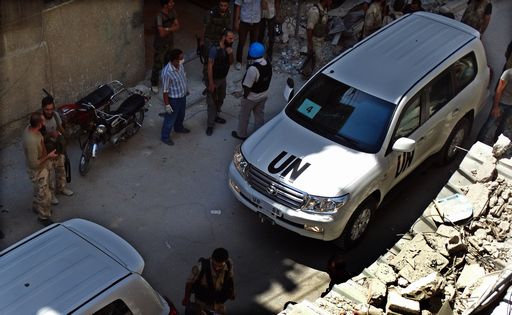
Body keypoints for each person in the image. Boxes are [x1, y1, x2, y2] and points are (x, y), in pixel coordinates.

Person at [22, 112, 59, 226]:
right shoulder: (31, 142)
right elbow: (34, 164)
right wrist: (49, 156)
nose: (44, 122)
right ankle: (43, 217)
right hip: (37, 171)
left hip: (41, 165)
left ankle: (37, 207)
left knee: (39, 191)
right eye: (42, 121)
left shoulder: (30, 128)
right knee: (45, 194)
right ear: (39, 124)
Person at [232, 42, 272, 140]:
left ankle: (241, 134)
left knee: (244, 116)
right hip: (263, 95)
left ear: (251, 53)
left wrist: (245, 97)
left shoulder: (253, 69)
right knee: (259, 116)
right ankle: (258, 136)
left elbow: (247, 86)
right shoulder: (267, 64)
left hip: (252, 97)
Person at [182, 248, 235, 315]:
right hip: (203, 302)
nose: (217, 268)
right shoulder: (200, 267)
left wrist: (232, 290)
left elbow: (230, 277)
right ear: (212, 258)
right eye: (215, 264)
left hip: (218, 302)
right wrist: (186, 298)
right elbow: (189, 282)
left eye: (220, 266)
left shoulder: (229, 263)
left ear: (225, 261)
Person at [41, 96, 74, 202]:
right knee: (49, 175)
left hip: (58, 147)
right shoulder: (40, 120)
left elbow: (60, 127)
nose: (49, 112)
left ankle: (62, 188)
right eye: (47, 109)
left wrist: (65, 138)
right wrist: (50, 133)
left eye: (51, 109)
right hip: (47, 150)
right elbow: (38, 139)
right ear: (42, 108)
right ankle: (51, 195)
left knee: (61, 169)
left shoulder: (55, 115)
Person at [205, 29, 235, 136]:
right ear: (223, 37)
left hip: (223, 78)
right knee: (211, 102)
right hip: (214, 79)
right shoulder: (214, 49)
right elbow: (209, 67)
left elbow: (231, 62)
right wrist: (211, 83)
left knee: (221, 98)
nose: (232, 40)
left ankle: (216, 115)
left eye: (233, 38)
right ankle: (210, 125)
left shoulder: (228, 48)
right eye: (230, 38)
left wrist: (230, 54)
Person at [161, 48, 190, 146]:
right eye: (181, 58)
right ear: (174, 60)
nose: (183, 60)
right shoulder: (167, 73)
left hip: (182, 96)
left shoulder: (180, 66)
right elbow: (165, 91)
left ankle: (179, 128)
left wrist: (186, 90)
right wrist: (167, 105)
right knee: (170, 119)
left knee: (181, 114)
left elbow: (183, 78)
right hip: (174, 99)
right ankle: (165, 137)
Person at [151, 0, 180, 94]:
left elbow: (178, 26)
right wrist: (171, 29)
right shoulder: (159, 16)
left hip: (170, 43)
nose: (173, 4)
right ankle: (154, 83)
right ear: (165, 5)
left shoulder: (173, 12)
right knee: (157, 65)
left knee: (168, 64)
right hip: (160, 44)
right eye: (171, 2)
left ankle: (167, 81)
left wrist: (167, 28)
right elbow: (162, 33)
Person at [233, 0, 262, 70]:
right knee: (241, 42)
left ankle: (250, 60)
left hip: (256, 21)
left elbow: (263, 7)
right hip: (244, 20)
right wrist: (236, 20)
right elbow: (238, 6)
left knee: (253, 42)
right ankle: (239, 61)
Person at [306, 0, 332, 74]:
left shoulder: (324, 10)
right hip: (315, 40)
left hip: (320, 39)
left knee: (314, 59)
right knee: (317, 59)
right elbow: (309, 29)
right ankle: (313, 77)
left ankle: (308, 72)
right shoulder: (315, 12)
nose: (331, 2)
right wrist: (310, 45)